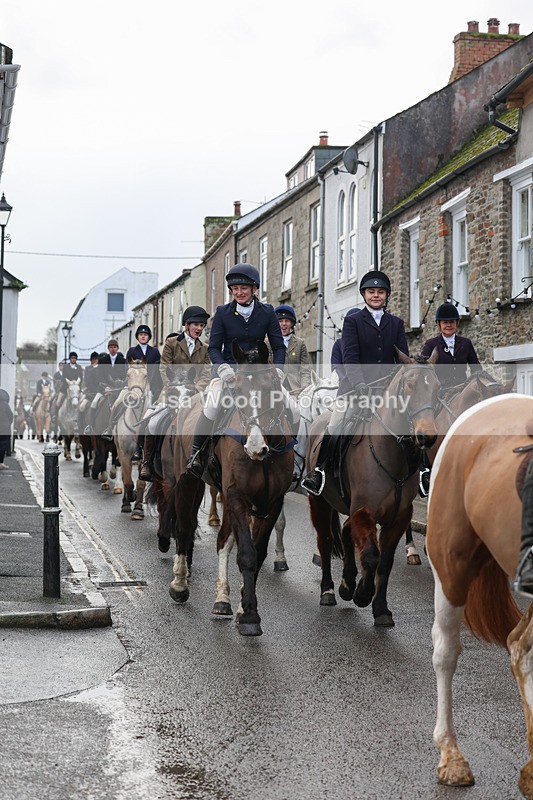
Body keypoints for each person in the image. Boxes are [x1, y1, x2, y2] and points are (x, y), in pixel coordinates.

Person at [301, 270, 409, 495]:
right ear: (364, 294)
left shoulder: (396, 323)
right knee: (335, 424)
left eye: (380, 292)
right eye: (371, 292)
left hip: (387, 391)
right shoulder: (353, 321)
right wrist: (360, 384)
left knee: (414, 424)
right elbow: (350, 357)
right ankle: (318, 472)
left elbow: (402, 358)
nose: (376, 295)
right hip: (355, 389)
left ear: (386, 295)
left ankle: (422, 475)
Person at [185, 263, 289, 478]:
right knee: (212, 406)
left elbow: (278, 346)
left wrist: (278, 371)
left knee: (293, 408)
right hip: (230, 372)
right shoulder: (222, 313)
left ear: (254, 289)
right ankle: (197, 455)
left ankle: (293, 458)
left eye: (244, 288)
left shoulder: (267, 312)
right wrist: (223, 369)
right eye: (235, 289)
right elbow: (214, 348)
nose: (239, 293)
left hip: (261, 374)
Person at [135, 307, 213, 481]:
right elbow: (164, 367)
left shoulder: (205, 348)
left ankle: (206, 461)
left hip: (195, 394)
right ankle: (146, 461)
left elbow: (206, 373)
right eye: (195, 325)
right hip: (172, 390)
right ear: (186, 325)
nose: (199, 329)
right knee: (152, 419)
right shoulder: (172, 343)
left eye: (201, 325)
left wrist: (197, 390)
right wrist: (172, 387)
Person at [420, 303, 481, 388]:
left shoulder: (466, 343)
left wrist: (474, 384)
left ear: (457, 323)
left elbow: (476, 368)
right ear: (438, 325)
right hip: (440, 391)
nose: (449, 325)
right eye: (445, 322)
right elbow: (422, 370)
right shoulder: (431, 344)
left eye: (452, 322)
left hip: (462, 389)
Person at [84, 339, 127, 435]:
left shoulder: (123, 361)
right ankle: (90, 426)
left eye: (114, 347)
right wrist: (105, 387)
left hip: (119, 389)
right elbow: (99, 376)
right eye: (111, 347)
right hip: (104, 389)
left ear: (117, 348)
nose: (113, 349)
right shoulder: (103, 360)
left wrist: (121, 384)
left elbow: (125, 375)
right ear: (108, 349)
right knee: (94, 403)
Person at [273, 305, 312, 394]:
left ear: (291, 323)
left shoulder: (300, 343)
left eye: (287, 321)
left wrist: (305, 389)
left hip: (296, 390)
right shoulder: (268, 343)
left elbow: (305, 371)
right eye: (280, 321)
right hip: (275, 390)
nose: (283, 324)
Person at [0, 389, 13, 469]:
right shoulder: (5, 404)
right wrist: (8, 423)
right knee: (3, 445)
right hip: (4, 428)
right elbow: (10, 416)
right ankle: (1, 462)